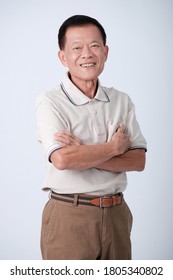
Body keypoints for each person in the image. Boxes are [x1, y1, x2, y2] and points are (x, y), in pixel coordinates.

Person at [36, 15, 147, 260]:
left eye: (94, 46)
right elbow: (63, 160)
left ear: (105, 52)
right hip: (69, 214)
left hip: (117, 213)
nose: (87, 54)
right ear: (63, 57)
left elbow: (138, 161)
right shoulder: (50, 101)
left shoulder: (121, 101)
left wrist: (84, 153)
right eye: (76, 48)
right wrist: (114, 147)